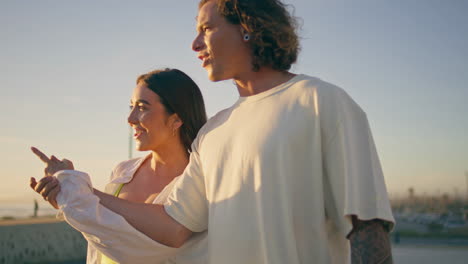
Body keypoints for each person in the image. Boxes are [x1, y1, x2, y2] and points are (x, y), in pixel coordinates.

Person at [34, 1, 395, 263]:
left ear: (248, 25)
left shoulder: (320, 102)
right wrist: (82, 189)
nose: (194, 45)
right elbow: (173, 227)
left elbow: (368, 229)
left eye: (206, 29)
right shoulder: (214, 132)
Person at [30, 68, 208, 264]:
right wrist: (64, 195)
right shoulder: (123, 171)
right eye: (131, 106)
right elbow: (106, 233)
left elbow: (140, 250)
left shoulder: (197, 181)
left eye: (142, 107)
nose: (130, 118)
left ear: (176, 119)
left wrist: (76, 188)